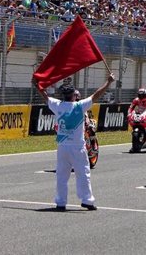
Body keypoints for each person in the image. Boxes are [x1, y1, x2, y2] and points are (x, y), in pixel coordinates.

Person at [35, 71, 115, 211]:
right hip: (77, 147)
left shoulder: (58, 105)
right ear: (73, 95)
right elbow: (96, 95)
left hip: (62, 147)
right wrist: (108, 82)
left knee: (61, 175)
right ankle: (87, 200)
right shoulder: (79, 106)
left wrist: (37, 84)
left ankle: (60, 202)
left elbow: (45, 96)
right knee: (83, 173)